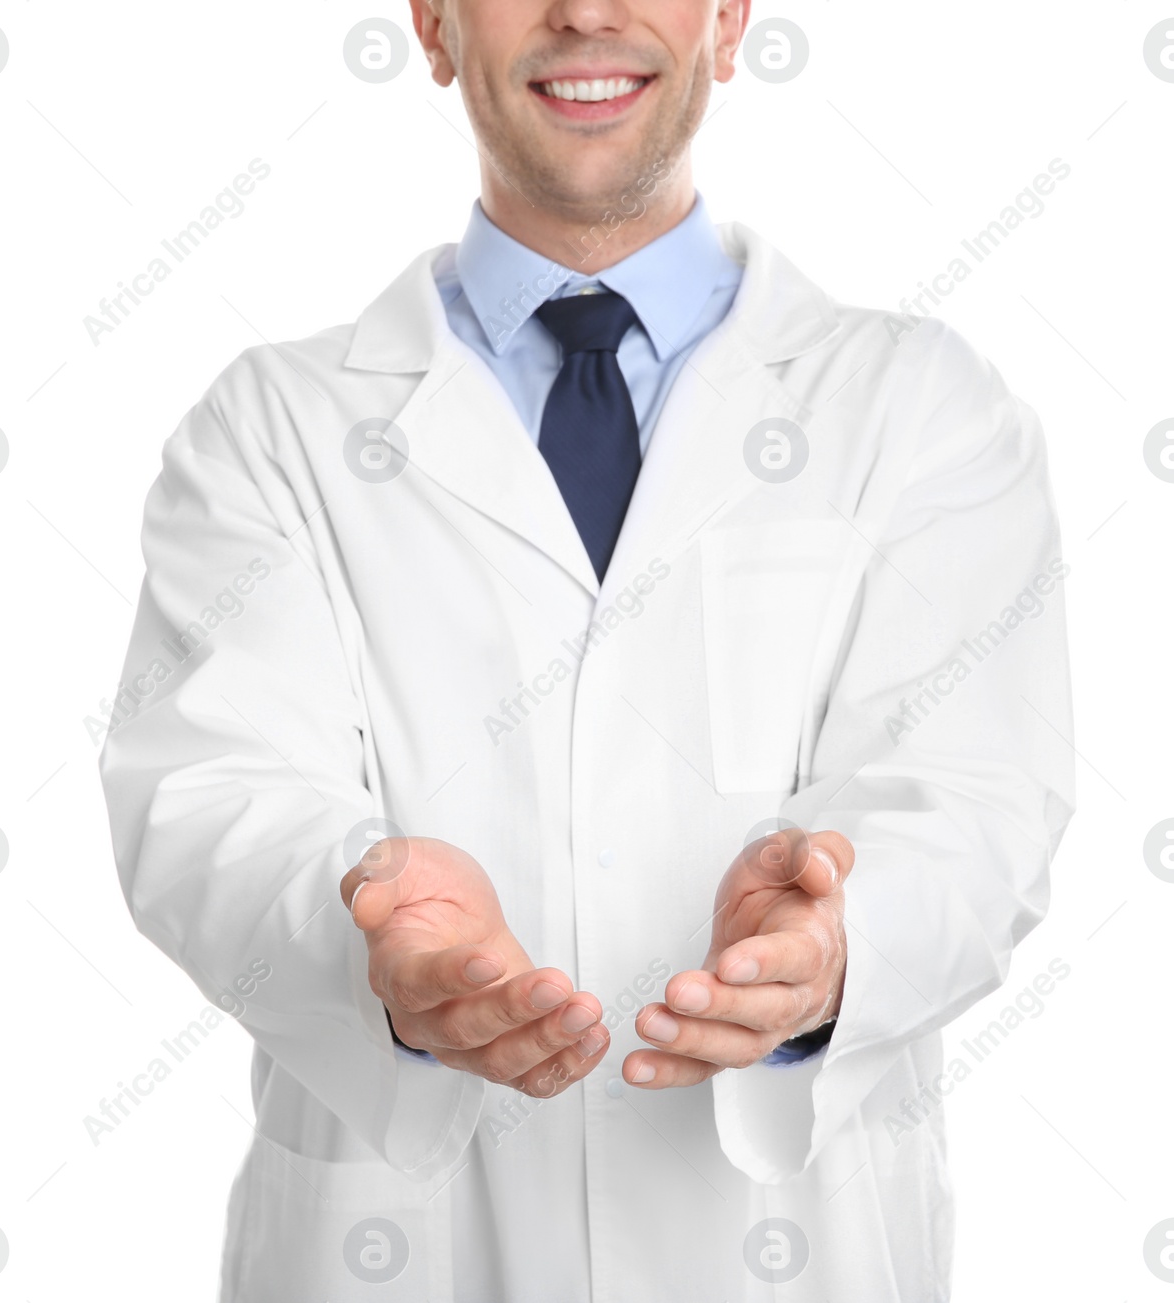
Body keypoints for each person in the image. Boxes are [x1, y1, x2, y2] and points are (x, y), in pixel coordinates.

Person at [98, 0, 1074, 1297]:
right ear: (433, 25)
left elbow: (976, 802)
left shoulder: (920, 414)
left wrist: (843, 944)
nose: (587, 11)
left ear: (730, 20)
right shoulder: (272, 433)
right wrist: (373, 938)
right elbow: (207, 801)